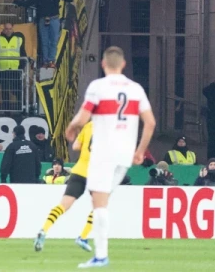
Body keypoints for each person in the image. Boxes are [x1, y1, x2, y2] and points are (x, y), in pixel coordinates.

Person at [64, 46, 155, 268]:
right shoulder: (135, 89)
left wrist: (72, 127)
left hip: (104, 152)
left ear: (103, 64)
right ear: (123, 64)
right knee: (101, 199)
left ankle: (101, 256)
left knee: (99, 202)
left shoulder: (98, 87)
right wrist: (140, 151)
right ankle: (98, 252)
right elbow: (150, 122)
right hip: (124, 154)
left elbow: (83, 117)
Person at [36, 122, 95, 252]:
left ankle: (44, 229)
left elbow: (76, 146)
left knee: (63, 205)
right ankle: (83, 237)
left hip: (79, 171)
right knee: (99, 208)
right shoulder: (113, 129)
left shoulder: (89, 126)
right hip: (96, 173)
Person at [0, 22, 25, 107]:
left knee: (17, 89)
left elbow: (22, 53)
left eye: (10, 29)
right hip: (2, 69)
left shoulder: (18, 40)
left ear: (13, 29)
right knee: (5, 90)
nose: (8, 31)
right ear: (3, 29)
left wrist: (22, 67)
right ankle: (6, 110)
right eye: (6, 29)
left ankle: (20, 107)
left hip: (15, 69)